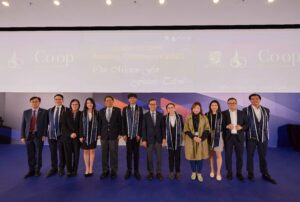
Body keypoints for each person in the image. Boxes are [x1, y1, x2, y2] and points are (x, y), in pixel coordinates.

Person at [243, 93, 277, 184]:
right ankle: (250, 173)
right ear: (250, 100)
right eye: (252, 99)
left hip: (263, 136)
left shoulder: (266, 110)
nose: (255, 100)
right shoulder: (245, 110)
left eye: (257, 98)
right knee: (250, 156)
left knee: (263, 156)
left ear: (260, 99)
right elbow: (245, 123)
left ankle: (265, 173)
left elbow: (265, 123)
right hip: (251, 136)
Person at [21, 96, 48, 178]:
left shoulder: (44, 112)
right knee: (30, 154)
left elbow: (46, 124)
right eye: (32, 101)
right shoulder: (26, 112)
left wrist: (44, 134)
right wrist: (22, 136)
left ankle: (37, 170)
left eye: (36, 101)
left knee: (38, 154)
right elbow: (23, 125)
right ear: (30, 103)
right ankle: (31, 170)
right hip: (28, 136)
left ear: (39, 102)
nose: (34, 103)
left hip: (39, 136)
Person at [183, 101, 210, 182]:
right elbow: (186, 130)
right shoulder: (188, 117)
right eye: (194, 108)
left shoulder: (204, 117)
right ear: (192, 109)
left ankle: (199, 173)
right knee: (192, 157)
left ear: (200, 109)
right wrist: (193, 137)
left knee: (199, 157)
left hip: (201, 140)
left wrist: (201, 138)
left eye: (197, 108)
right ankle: (193, 172)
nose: (196, 109)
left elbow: (207, 129)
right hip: (191, 140)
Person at [222, 97, 247, 181]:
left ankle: (239, 173)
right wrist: (226, 126)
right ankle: (229, 172)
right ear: (227, 104)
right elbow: (220, 126)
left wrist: (241, 127)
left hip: (239, 138)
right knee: (228, 156)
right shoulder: (223, 113)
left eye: (234, 103)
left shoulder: (242, 113)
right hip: (228, 138)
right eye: (230, 103)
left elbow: (247, 125)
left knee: (240, 156)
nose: (232, 104)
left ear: (236, 104)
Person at [98, 96, 122, 180]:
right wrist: (99, 134)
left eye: (110, 100)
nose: (108, 102)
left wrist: (120, 133)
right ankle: (105, 171)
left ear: (113, 101)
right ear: (105, 102)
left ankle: (114, 171)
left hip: (114, 135)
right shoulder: (101, 111)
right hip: (104, 135)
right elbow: (99, 124)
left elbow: (120, 123)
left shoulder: (118, 110)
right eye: (107, 100)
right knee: (104, 154)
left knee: (113, 154)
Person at [142, 98, 165, 181]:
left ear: (156, 105)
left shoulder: (161, 115)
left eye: (154, 104)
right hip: (149, 140)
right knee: (149, 157)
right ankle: (150, 172)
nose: (152, 105)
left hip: (159, 140)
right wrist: (144, 140)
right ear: (149, 105)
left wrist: (164, 138)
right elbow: (144, 128)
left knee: (159, 157)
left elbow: (163, 128)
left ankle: (159, 173)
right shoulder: (145, 116)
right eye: (151, 104)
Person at [47, 94, 69, 177]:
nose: (58, 100)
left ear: (62, 100)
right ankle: (54, 168)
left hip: (62, 135)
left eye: (59, 99)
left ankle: (61, 168)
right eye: (56, 99)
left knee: (61, 153)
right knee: (53, 153)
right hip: (51, 135)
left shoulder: (67, 110)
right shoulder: (49, 110)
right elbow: (47, 122)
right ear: (54, 100)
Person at [122, 93, 143, 180]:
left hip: (136, 136)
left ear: (136, 99)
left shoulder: (140, 109)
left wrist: (139, 134)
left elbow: (141, 122)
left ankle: (136, 171)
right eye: (130, 98)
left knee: (136, 154)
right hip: (128, 135)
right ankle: (129, 170)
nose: (132, 99)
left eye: (134, 98)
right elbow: (123, 122)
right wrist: (124, 134)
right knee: (128, 153)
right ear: (128, 100)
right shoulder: (125, 109)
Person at [163, 102, 184, 180]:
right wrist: (164, 138)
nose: (170, 109)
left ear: (174, 108)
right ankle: (171, 172)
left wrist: (182, 137)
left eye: (172, 107)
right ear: (167, 109)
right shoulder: (164, 118)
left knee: (178, 157)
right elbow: (163, 129)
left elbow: (182, 127)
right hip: (169, 141)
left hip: (178, 140)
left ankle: (178, 172)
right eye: (169, 108)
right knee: (170, 157)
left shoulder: (180, 117)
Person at [79, 97, 99, 177]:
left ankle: (91, 168)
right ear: (85, 104)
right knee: (86, 152)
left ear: (93, 104)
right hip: (84, 136)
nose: (89, 104)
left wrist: (98, 134)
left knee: (92, 151)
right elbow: (79, 125)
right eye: (87, 103)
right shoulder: (82, 113)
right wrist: (80, 135)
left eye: (91, 103)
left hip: (93, 135)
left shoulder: (97, 113)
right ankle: (87, 168)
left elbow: (100, 124)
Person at [62, 99, 81, 177]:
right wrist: (70, 134)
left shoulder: (81, 113)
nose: (74, 105)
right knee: (68, 154)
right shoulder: (65, 113)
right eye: (73, 104)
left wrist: (77, 134)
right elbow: (63, 125)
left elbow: (82, 126)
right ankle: (69, 170)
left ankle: (75, 170)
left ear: (79, 105)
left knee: (76, 155)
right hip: (67, 137)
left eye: (76, 104)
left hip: (77, 138)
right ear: (70, 105)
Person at [206, 100, 224, 181]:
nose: (214, 106)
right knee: (211, 155)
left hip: (218, 135)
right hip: (209, 135)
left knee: (218, 155)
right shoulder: (206, 115)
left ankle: (218, 172)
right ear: (210, 106)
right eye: (212, 105)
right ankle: (212, 170)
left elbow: (224, 126)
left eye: (215, 105)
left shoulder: (222, 115)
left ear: (218, 106)